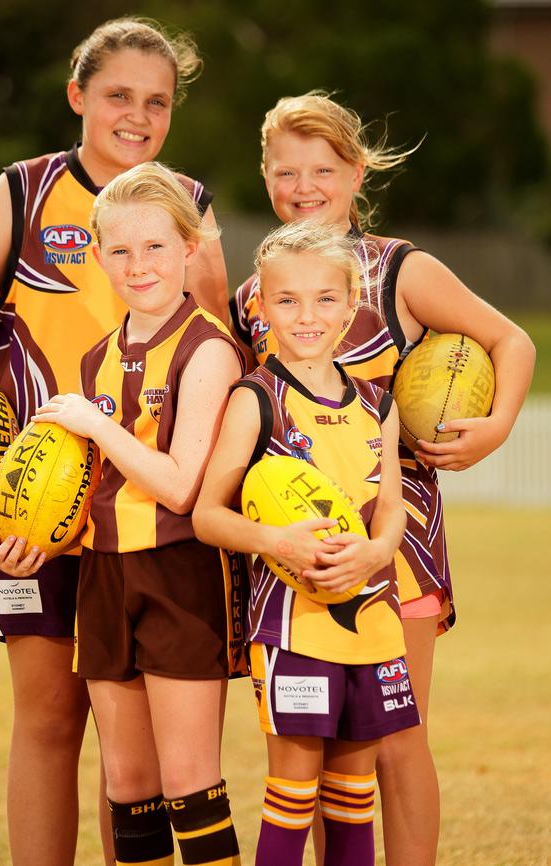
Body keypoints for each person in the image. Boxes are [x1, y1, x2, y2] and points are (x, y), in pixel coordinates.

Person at [0, 18, 229, 866]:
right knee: (48, 716)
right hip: (33, 502)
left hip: (147, 513)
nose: (138, 115)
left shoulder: (189, 207)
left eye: (157, 102)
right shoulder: (23, 190)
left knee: (138, 751)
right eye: (118, 95)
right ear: (79, 96)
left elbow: (221, 346)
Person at [228, 91, 536, 865]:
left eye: (323, 169)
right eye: (285, 170)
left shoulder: (402, 268)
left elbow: (511, 339)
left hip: (400, 536)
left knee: (396, 738)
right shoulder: (255, 293)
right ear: (264, 175)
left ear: (357, 172)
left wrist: (494, 430)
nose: (304, 186)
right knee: (332, 747)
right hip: (300, 549)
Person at [0, 161, 243, 866]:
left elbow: (181, 486)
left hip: (181, 574)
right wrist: (31, 540)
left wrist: (97, 427)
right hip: (103, 575)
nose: (139, 266)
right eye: (122, 251)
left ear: (189, 250)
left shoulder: (209, 350)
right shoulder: (97, 358)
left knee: (189, 782)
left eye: (156, 248)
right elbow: (73, 491)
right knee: (129, 785)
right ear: (97, 258)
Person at [193, 219, 420, 866]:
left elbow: (393, 509)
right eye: (287, 300)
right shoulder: (256, 399)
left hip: (373, 621)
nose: (308, 316)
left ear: (352, 305)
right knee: (292, 796)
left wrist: (377, 554)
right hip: (294, 627)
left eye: (325, 299)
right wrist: (276, 540)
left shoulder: (378, 402)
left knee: (354, 796)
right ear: (260, 306)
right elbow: (209, 515)